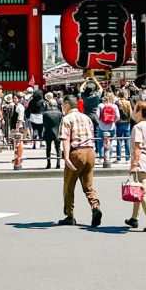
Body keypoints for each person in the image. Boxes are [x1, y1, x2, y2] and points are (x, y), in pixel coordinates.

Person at [58, 94, 101, 228]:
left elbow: (65, 139)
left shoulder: (67, 119)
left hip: (76, 152)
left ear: (67, 105)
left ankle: (70, 215)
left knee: (69, 186)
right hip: (90, 151)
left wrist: (66, 157)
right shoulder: (86, 117)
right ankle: (95, 207)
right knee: (88, 185)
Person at [125, 100, 146, 232]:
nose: (133, 112)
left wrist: (134, 164)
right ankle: (134, 218)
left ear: (140, 112)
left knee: (143, 193)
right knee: (138, 190)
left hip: (142, 164)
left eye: (135, 109)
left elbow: (138, 147)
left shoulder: (137, 127)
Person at [41, 93, 63, 169]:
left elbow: (44, 124)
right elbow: (61, 123)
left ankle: (48, 163)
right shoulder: (60, 113)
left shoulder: (45, 114)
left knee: (48, 148)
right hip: (57, 132)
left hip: (48, 132)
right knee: (58, 148)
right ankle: (58, 163)